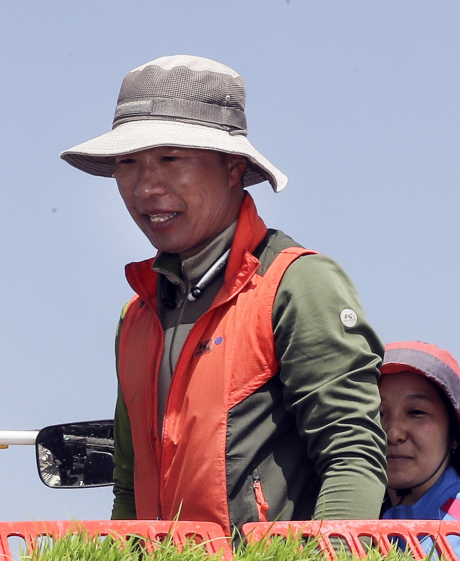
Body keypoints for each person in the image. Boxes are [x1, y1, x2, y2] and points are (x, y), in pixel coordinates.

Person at [61, 55, 387, 533]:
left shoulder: (296, 284)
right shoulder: (137, 316)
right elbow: (128, 488)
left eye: (170, 159)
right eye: (128, 162)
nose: (146, 186)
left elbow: (352, 454)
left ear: (233, 167)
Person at [379, 342, 460, 522]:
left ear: (454, 433)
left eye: (416, 412)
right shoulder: (336, 517)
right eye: (378, 414)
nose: (393, 434)